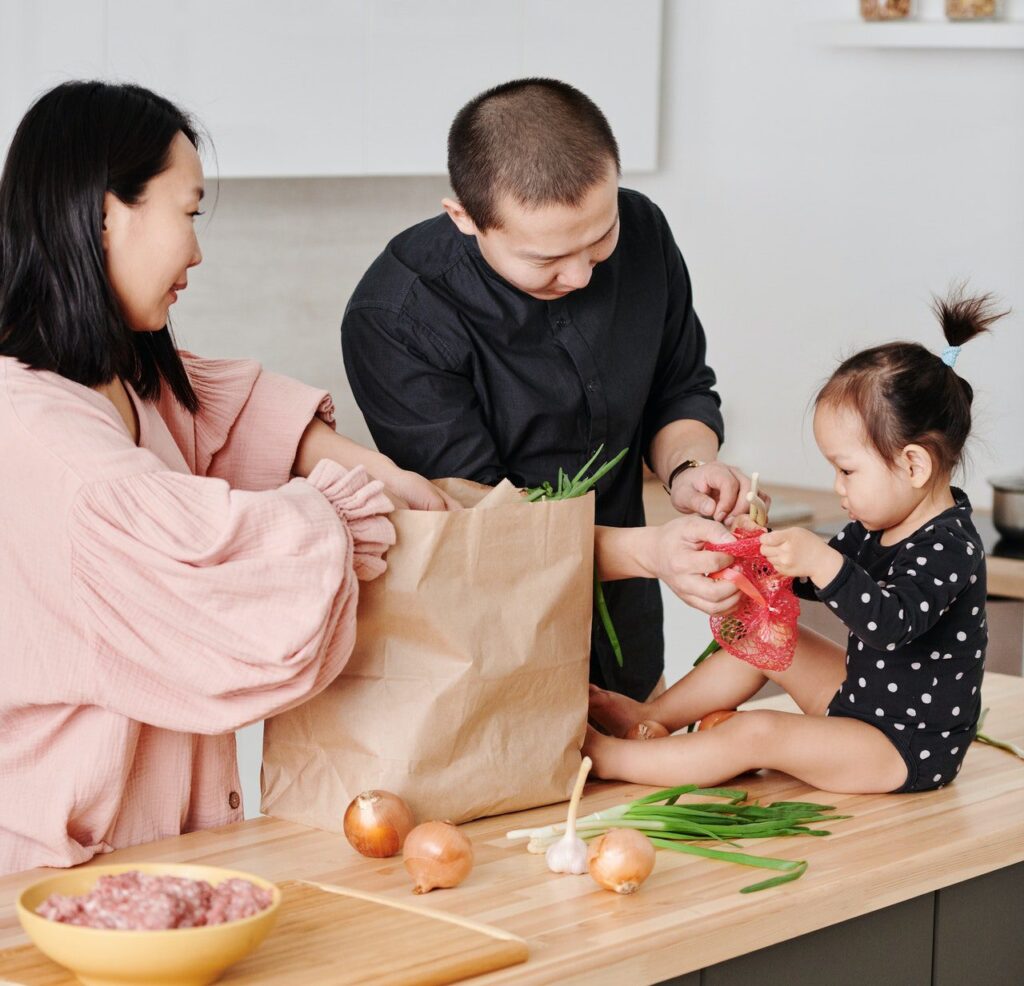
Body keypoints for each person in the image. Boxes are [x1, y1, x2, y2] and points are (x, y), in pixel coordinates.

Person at [0, 81, 455, 875]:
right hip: (54, 874)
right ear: (108, 213)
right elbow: (211, 561)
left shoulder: (121, 376)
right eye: (190, 213)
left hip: (157, 857)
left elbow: (213, 408)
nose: (198, 251)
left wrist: (364, 464)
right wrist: (343, 515)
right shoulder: (53, 450)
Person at [342, 78, 761, 701]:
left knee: (642, 770)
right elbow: (481, 521)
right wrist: (651, 553)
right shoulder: (396, 317)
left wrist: (689, 467)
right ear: (463, 217)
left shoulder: (643, 230)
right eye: (546, 261)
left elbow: (679, 389)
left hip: (627, 615)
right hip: (484, 636)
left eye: (599, 238)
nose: (582, 273)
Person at [586, 291, 1002, 794]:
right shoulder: (879, 524)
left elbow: (891, 624)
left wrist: (822, 560)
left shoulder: (951, 545)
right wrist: (763, 549)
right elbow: (818, 584)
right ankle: (653, 716)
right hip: (862, 700)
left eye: (847, 470)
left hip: (904, 745)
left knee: (757, 731)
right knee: (764, 642)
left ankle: (611, 758)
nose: (838, 486)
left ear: (914, 465)